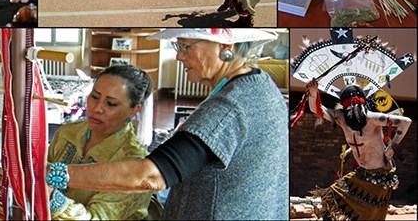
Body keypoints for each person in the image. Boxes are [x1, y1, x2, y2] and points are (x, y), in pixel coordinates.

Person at [46, 28, 289, 220]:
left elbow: (150, 176)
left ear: (225, 48)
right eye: (178, 46)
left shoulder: (230, 107)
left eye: (186, 46)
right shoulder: (259, 87)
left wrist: (54, 175)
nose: (178, 55)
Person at [47, 65, 153, 220]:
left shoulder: (134, 163)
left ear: (134, 110)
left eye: (111, 104)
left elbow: (96, 218)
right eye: (95, 96)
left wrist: (51, 197)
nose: (97, 108)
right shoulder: (67, 133)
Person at [305, 79, 412, 220]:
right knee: (330, 196)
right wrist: (313, 93)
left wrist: (391, 148)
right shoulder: (340, 117)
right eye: (349, 105)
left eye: (355, 103)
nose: (353, 107)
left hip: (379, 176)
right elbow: (316, 109)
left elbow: (406, 122)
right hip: (361, 173)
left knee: (369, 214)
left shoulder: (372, 117)